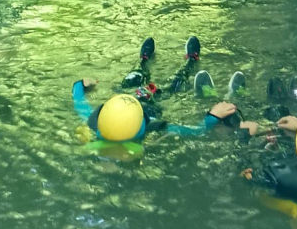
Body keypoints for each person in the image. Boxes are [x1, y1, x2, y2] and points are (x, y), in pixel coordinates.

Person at [71, 36, 248, 156]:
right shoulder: (153, 125)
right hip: (154, 100)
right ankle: (191, 59)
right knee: (176, 82)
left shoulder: (94, 121)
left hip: (132, 93)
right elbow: (195, 131)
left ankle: (144, 59)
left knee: (135, 76)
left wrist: (82, 84)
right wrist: (212, 117)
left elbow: (78, 98)